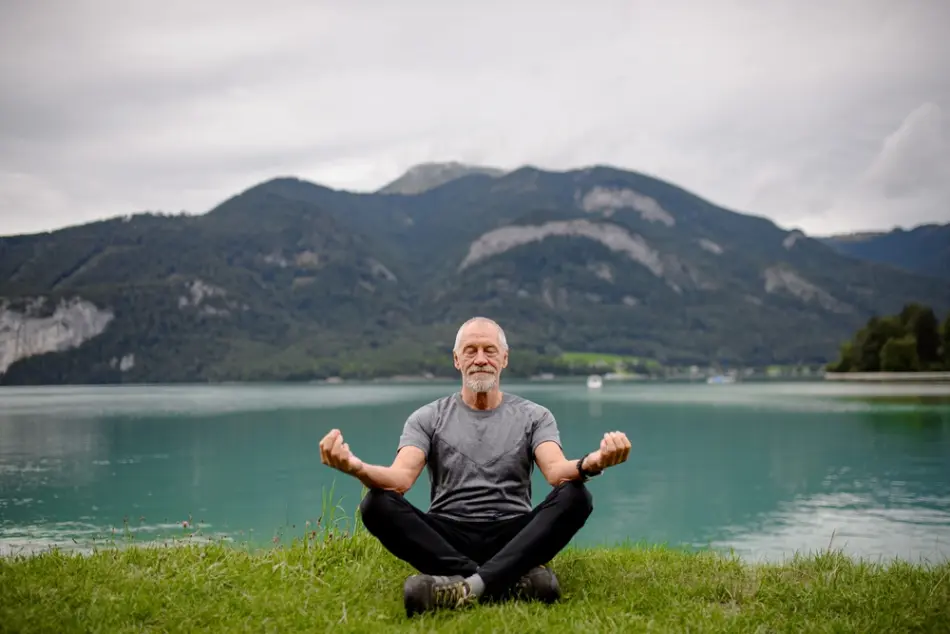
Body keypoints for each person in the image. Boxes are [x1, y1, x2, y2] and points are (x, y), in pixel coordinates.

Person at [318, 316, 631, 617]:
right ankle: (508, 581)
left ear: (504, 359)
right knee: (376, 503)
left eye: (489, 350)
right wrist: (356, 467)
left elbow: (556, 471)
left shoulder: (535, 416)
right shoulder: (427, 418)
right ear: (457, 360)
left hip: (513, 531)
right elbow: (399, 479)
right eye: (471, 350)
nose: (480, 358)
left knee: (576, 496)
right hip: (447, 532)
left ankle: (465, 586)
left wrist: (593, 462)